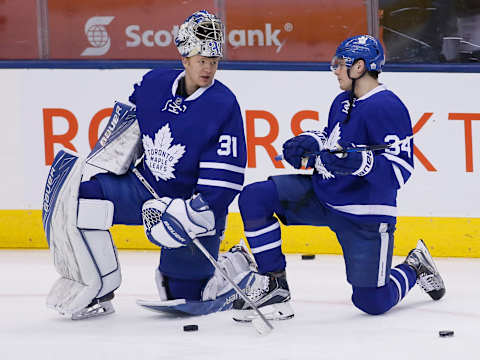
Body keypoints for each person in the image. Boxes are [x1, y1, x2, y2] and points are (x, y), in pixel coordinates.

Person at [42, 10, 256, 320]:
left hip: (187, 206)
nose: (208, 68)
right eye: (201, 60)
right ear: (185, 58)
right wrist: (114, 158)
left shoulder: (223, 104)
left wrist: (193, 213)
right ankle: (98, 288)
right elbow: (128, 131)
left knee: (180, 295)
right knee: (80, 201)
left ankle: (230, 268)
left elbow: (223, 181)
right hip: (141, 188)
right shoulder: (154, 82)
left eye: (214, 61)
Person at [233, 35, 446, 321]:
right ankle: (274, 283)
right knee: (255, 196)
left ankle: (415, 267)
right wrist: (309, 142)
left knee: (372, 301)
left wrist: (360, 162)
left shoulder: (387, 107)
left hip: (365, 215)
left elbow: (399, 171)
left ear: (359, 67)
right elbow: (335, 140)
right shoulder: (343, 100)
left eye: (340, 64)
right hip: (324, 196)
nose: (335, 70)